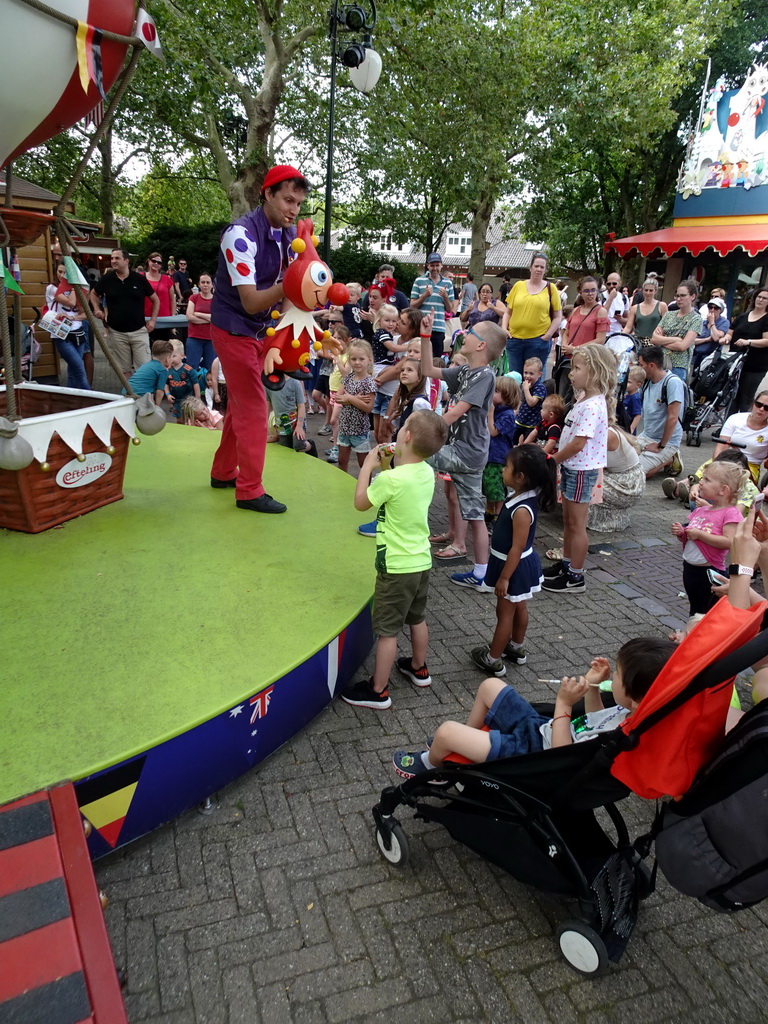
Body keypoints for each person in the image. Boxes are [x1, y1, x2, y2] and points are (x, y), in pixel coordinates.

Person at [392, 636, 675, 777]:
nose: (612, 677)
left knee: (445, 732)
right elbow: (593, 719)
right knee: (490, 686)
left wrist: (564, 703)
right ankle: (462, 751)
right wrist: (590, 686)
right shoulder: (629, 714)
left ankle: (433, 769)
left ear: (636, 699)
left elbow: (561, 756)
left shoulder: (623, 737)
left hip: (536, 755)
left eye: (618, 676)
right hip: (541, 731)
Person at [209, 164, 311, 514]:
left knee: (241, 405)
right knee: (254, 407)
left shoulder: (287, 233)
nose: (293, 210)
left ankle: (223, 472)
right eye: (287, 200)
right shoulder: (239, 235)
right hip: (232, 329)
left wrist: (280, 335)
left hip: (258, 332)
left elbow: (284, 297)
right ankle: (249, 490)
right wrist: (293, 284)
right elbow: (251, 300)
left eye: (298, 203)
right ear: (266, 194)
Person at [341, 411, 449, 709]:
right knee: (417, 617)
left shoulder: (390, 479)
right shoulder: (426, 472)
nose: (398, 430)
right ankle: (418, 667)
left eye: (402, 427)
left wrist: (368, 468)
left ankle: (378, 691)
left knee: (387, 631)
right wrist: (390, 461)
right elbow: (405, 473)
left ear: (408, 436)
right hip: (421, 562)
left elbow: (361, 502)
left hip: (396, 567)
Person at [418, 314, 507, 587]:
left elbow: (457, 412)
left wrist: (422, 432)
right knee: (474, 514)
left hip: (465, 454)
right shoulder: (466, 371)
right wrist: (424, 337)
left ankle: (394, 524)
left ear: (480, 346)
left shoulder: (485, 376)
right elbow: (427, 371)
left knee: (407, 454)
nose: (463, 334)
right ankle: (482, 575)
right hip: (466, 452)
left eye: (470, 332)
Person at [471, 445, 556, 676]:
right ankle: (516, 648)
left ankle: (493, 659)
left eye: (506, 467)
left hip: (513, 567)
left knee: (504, 614)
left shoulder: (521, 510)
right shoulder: (521, 496)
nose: (502, 470)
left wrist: (504, 578)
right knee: (519, 606)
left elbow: (517, 548)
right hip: (516, 566)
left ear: (520, 477)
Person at [542, 343, 615, 593]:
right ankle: (566, 563)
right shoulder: (584, 399)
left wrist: (553, 460)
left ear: (593, 371)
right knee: (568, 521)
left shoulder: (593, 405)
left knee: (577, 524)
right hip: (573, 468)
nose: (571, 373)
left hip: (581, 470)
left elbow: (577, 444)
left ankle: (575, 576)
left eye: (577, 368)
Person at [671, 460, 746, 615]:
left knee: (708, 611)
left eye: (707, 480)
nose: (701, 483)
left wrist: (700, 535)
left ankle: (701, 635)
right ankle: (691, 633)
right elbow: (693, 538)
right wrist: (682, 533)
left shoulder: (730, 513)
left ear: (723, 490)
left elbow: (729, 542)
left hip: (709, 571)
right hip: (690, 568)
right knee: (695, 606)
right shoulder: (702, 510)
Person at [90, 248, 159, 378]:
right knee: (123, 370)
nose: (113, 261)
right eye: (112, 258)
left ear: (126, 261)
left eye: (117, 258)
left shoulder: (139, 279)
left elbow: (155, 300)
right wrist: (97, 309)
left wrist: (153, 320)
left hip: (139, 331)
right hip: (117, 333)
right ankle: (130, 395)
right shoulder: (107, 279)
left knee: (144, 369)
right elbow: (93, 293)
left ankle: (144, 397)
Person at [501, 253, 561, 377]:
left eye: (542, 267)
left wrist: (548, 334)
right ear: (530, 267)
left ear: (545, 270)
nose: (539, 269)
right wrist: (504, 329)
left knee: (534, 378)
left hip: (538, 340)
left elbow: (557, 316)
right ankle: (516, 397)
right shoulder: (518, 286)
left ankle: (535, 397)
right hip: (515, 339)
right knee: (515, 377)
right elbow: (508, 311)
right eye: (536, 266)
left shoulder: (551, 288)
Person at [635, 346, 685, 478]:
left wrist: (661, 446)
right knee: (622, 463)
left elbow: (673, 417)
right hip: (646, 435)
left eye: (641, 365)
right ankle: (660, 457)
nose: (639, 368)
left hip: (667, 441)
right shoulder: (647, 382)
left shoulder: (672, 382)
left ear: (651, 365)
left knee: (637, 474)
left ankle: (670, 459)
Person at [587, 419, 645, 532]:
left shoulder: (607, 434)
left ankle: (581, 518)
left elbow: (590, 463)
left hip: (628, 484)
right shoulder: (609, 429)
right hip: (626, 478)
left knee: (583, 481)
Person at [555, 276, 608, 400]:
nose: (590, 294)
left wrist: (575, 349)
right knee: (562, 395)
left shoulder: (600, 311)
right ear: (580, 292)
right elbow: (566, 332)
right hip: (569, 360)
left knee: (580, 396)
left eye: (593, 290)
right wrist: (565, 345)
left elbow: (600, 340)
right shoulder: (575, 310)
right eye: (587, 291)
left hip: (587, 361)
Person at [663, 448, 758, 514]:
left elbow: (736, 515)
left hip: (740, 527)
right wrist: (693, 491)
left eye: (707, 479)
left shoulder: (747, 488)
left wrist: (709, 507)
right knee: (699, 495)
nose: (702, 481)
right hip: (723, 515)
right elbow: (697, 484)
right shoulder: (726, 479)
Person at [46, 260, 90, 390]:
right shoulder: (51, 288)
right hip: (60, 332)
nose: (62, 275)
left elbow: (86, 314)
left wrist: (72, 317)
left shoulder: (77, 289)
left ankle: (72, 401)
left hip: (78, 332)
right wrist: (72, 287)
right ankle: (90, 399)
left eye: (65, 273)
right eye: (60, 272)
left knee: (73, 371)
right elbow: (71, 303)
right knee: (79, 369)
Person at [722, 287, 768, 412]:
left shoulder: (766, 319)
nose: (760, 300)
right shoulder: (742, 317)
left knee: (745, 398)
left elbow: (766, 341)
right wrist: (725, 338)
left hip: (754, 366)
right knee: (731, 397)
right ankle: (728, 426)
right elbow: (730, 333)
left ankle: (744, 427)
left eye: (764, 298)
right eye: (759, 297)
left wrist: (748, 342)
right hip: (736, 363)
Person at [335, 340, 377, 474]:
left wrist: (350, 398)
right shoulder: (348, 378)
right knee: (342, 461)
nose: (357, 362)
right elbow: (338, 397)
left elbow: (368, 408)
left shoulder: (369, 382)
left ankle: (366, 490)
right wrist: (354, 399)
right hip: (344, 427)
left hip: (360, 430)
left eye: (361, 359)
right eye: (353, 359)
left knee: (363, 464)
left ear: (369, 360)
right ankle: (341, 485)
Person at [483, 376, 521, 521]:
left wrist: (490, 413)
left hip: (498, 457)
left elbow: (493, 432)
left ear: (507, 395)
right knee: (487, 485)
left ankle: (497, 517)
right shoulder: (498, 410)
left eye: (496, 391)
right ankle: (490, 510)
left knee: (496, 488)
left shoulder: (507, 415)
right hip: (488, 454)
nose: (492, 394)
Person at [651, 279, 703, 381]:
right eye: (677, 296)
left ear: (693, 296)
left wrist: (662, 340)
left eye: (683, 296)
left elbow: (682, 346)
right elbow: (654, 339)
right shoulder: (668, 315)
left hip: (678, 366)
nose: (679, 299)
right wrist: (676, 339)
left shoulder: (696, 319)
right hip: (660, 361)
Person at [711, 392, 768, 483]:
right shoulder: (735, 418)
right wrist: (716, 466)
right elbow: (721, 447)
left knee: (731, 481)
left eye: (767, 408)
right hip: (725, 459)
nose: (761, 409)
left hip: (750, 465)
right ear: (753, 403)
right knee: (705, 475)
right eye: (758, 404)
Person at [372, 303, 408, 443]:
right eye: (387, 320)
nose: (392, 324)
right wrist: (408, 346)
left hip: (386, 381)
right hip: (380, 367)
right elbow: (392, 347)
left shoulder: (388, 334)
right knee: (380, 434)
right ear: (379, 321)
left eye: (394, 321)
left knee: (383, 434)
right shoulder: (382, 334)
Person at [410, 253, 455, 358]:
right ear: (427, 266)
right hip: (421, 326)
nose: (435, 268)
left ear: (441, 266)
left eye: (437, 265)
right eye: (432, 265)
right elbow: (412, 306)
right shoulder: (419, 281)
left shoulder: (448, 283)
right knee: (418, 358)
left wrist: (445, 296)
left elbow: (450, 309)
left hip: (438, 328)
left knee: (435, 359)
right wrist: (424, 296)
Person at [265, 375, 315, 454]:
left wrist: (299, 426)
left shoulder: (295, 382)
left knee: (298, 445)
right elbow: (267, 406)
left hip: (297, 421)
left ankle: (310, 446)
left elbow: (301, 405)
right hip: (281, 424)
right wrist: (264, 425)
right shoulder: (269, 384)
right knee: (286, 449)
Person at [384, 358, 431, 432]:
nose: (404, 373)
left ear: (419, 377)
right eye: (402, 370)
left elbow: (425, 429)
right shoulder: (407, 398)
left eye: (409, 370)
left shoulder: (419, 402)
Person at [124, 338, 174, 404]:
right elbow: (160, 391)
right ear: (167, 359)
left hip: (125, 392)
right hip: (139, 396)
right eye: (172, 357)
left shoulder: (147, 364)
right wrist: (157, 407)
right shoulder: (163, 370)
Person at [512, 357, 547, 445]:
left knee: (526, 446)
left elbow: (531, 403)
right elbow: (521, 399)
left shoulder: (540, 387)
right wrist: (515, 412)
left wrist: (526, 389)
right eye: (525, 372)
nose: (527, 376)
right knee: (513, 442)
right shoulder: (525, 384)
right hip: (520, 420)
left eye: (531, 373)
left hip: (532, 423)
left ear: (539, 374)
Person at [623, 278, 667, 346]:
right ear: (642, 291)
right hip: (638, 342)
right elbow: (628, 327)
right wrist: (620, 336)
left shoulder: (662, 306)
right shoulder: (635, 308)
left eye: (651, 290)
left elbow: (666, 326)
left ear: (655, 291)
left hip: (654, 342)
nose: (648, 293)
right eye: (646, 290)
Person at [185, 273, 215, 371]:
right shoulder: (194, 298)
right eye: (203, 282)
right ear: (199, 284)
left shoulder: (216, 300)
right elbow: (189, 316)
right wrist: (209, 319)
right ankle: (191, 386)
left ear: (212, 285)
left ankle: (207, 386)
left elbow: (217, 319)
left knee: (210, 367)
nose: (205, 285)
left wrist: (199, 314)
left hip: (211, 339)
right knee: (191, 367)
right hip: (194, 338)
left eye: (207, 282)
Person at [691, 296, 729, 374]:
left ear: (720, 310)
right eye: (710, 307)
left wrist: (712, 323)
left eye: (716, 308)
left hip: (710, 358)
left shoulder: (724, 322)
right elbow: (691, 340)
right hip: (695, 356)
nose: (712, 310)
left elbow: (716, 338)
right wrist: (706, 340)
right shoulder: (703, 322)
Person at [143, 253, 176, 341]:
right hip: (145, 318)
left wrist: (173, 319)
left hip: (164, 319)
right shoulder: (141, 277)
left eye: (159, 262)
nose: (156, 264)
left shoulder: (167, 279)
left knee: (163, 348)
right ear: (148, 261)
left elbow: (172, 300)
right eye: (154, 261)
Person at [166, 341, 201, 419]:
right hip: (176, 400)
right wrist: (168, 394)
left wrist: (197, 398)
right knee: (178, 419)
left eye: (174, 356)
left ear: (182, 356)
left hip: (189, 400)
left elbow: (195, 383)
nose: (171, 359)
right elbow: (166, 384)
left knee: (190, 418)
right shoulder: (168, 370)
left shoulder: (188, 369)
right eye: (169, 356)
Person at [622, 365, 646, 434]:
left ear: (638, 385)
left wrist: (632, 428)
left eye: (629, 382)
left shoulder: (635, 398)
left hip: (628, 428)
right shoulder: (626, 394)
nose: (625, 383)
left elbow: (637, 415)